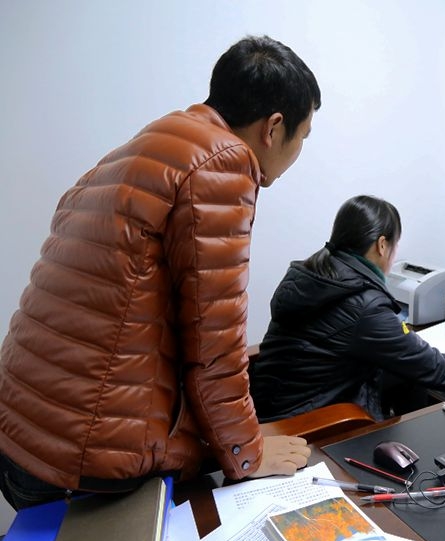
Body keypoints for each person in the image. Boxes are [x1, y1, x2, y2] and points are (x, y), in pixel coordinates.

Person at [0, 35, 320, 510]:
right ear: (273, 128)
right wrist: (247, 453)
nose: (299, 152)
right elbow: (214, 346)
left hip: (22, 427)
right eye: (304, 137)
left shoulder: (152, 143)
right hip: (82, 457)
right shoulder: (224, 162)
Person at [249, 195, 445, 422]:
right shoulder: (364, 304)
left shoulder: (313, 271)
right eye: (394, 245)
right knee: (417, 375)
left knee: (407, 376)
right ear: (382, 245)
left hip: (271, 404)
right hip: (306, 421)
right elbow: (432, 367)